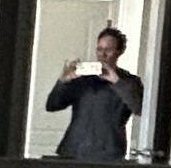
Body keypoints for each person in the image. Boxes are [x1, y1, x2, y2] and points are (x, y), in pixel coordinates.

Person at [47, 27, 144, 161]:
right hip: (73, 150)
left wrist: (116, 81)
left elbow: (139, 109)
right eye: (99, 49)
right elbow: (52, 105)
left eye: (108, 50)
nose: (102, 54)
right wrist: (64, 80)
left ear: (119, 52)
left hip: (108, 153)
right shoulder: (83, 78)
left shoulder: (129, 81)